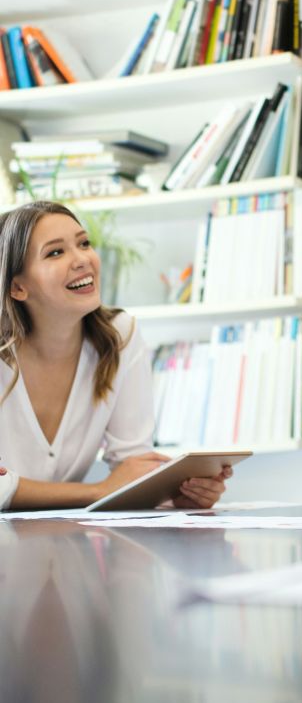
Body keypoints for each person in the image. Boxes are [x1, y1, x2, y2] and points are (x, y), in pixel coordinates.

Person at [0, 200, 230, 510]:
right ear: (17, 287)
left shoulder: (119, 336)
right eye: (56, 252)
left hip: (62, 545)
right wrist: (98, 491)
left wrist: (174, 493)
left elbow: (131, 466)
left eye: (84, 243)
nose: (82, 259)